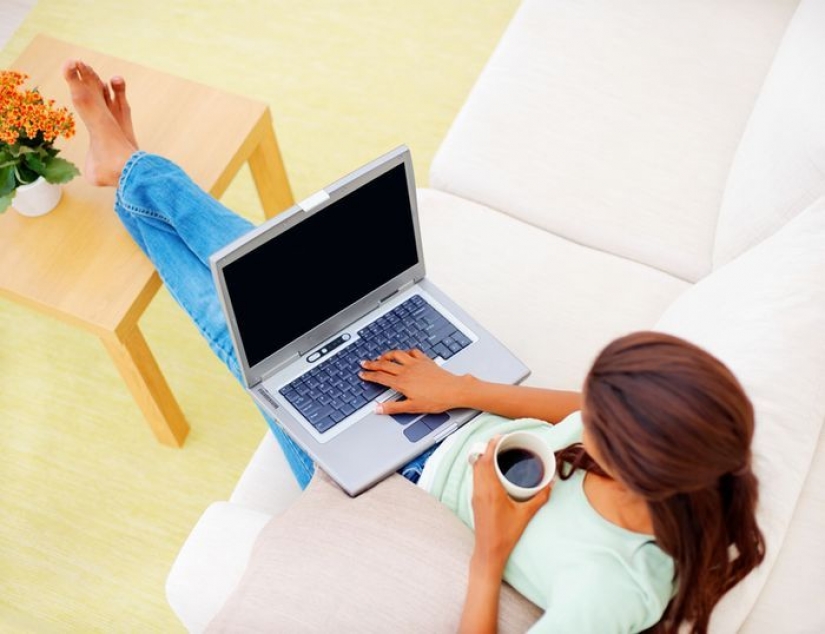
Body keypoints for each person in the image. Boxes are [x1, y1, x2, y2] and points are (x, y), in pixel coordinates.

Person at [63, 60, 765, 634]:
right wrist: (460, 389)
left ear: (642, 463)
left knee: (248, 339)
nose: (589, 418)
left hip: (394, 487)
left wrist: (491, 546)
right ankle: (130, 171)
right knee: (290, 298)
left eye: (602, 424)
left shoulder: (611, 592)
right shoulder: (690, 449)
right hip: (451, 416)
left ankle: (129, 169)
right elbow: (580, 406)